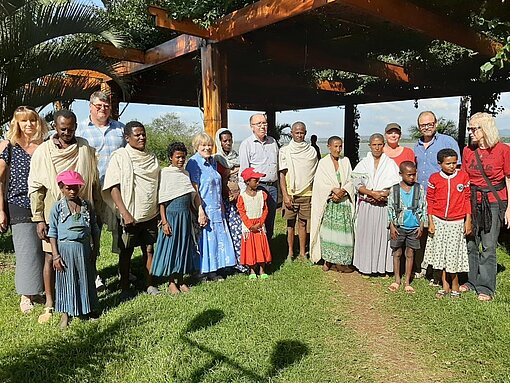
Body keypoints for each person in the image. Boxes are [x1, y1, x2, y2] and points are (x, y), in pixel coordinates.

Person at [28, 109, 100, 324]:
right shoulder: (44, 151)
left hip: (82, 210)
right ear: (55, 128)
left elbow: (93, 181)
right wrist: (39, 218)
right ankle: (52, 302)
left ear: (76, 126)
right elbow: (36, 187)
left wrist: (96, 210)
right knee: (51, 257)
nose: (67, 132)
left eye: (71, 128)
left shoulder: (85, 147)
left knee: (84, 259)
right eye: (63, 129)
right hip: (54, 209)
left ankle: (83, 301)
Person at [103, 121, 160, 297]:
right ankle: (125, 288)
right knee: (126, 252)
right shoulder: (120, 156)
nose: (142, 137)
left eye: (143, 134)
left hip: (150, 212)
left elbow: (156, 185)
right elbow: (113, 186)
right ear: (127, 138)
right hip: (130, 214)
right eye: (137, 135)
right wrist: (124, 212)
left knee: (149, 249)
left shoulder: (151, 157)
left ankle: (150, 284)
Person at [76, 90, 126, 291]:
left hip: (116, 190)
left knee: (122, 232)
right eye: (99, 106)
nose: (103, 109)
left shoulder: (120, 129)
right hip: (91, 190)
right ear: (91, 107)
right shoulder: (80, 129)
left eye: (106, 106)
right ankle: (93, 274)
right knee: (92, 234)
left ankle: (125, 269)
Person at [0, 106, 48, 313]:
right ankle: (25, 296)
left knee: (42, 249)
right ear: (16, 124)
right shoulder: (8, 146)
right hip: (18, 204)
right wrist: (1, 210)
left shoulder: (45, 147)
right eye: (23, 121)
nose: (29, 124)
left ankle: (38, 290)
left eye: (33, 120)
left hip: (44, 204)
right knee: (26, 250)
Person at [461, 112, 510, 301]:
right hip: (472, 200)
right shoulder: (468, 151)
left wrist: (509, 208)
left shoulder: (503, 150)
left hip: (494, 202)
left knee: (488, 245)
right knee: (471, 242)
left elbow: (508, 179)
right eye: (470, 128)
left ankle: (486, 287)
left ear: (486, 129)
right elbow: (464, 180)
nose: (471, 132)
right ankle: (471, 281)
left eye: (474, 128)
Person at [48, 170, 99, 328]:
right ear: (61, 188)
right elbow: (53, 232)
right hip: (65, 249)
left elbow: (94, 228)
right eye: (68, 188)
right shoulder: (57, 208)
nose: (72, 191)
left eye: (75, 188)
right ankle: (65, 314)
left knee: (85, 277)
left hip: (83, 248)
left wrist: (95, 248)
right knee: (66, 280)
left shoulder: (86, 205)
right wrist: (56, 256)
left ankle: (87, 309)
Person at [414, 111, 461, 279]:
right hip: (421, 196)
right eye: (423, 125)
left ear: (436, 123)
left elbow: (458, 170)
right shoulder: (417, 145)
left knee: (439, 235)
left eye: (430, 124)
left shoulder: (447, 142)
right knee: (422, 232)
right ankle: (421, 267)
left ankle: (439, 271)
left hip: (442, 197)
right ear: (419, 127)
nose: (426, 127)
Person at [186, 132, 236, 281]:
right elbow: (195, 190)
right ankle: (201, 271)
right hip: (203, 207)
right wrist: (200, 210)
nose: (207, 147)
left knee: (215, 239)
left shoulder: (213, 161)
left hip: (216, 207)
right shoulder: (194, 163)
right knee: (203, 240)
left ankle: (214, 270)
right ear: (196, 146)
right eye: (203, 145)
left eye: (209, 144)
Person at [151, 142, 198, 295]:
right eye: (177, 157)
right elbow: (162, 200)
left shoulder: (185, 174)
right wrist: (164, 221)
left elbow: (189, 196)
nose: (180, 160)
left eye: (183, 157)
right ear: (170, 157)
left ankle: (181, 280)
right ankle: (171, 282)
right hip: (172, 217)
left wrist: (196, 214)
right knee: (172, 248)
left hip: (185, 217)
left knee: (183, 247)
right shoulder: (166, 173)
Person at [425, 149, 471, 299]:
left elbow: (466, 199)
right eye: (448, 163)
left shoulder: (463, 177)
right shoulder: (434, 178)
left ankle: (455, 284)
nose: (452, 166)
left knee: (453, 253)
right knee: (442, 254)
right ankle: (445, 285)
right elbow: (430, 201)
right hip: (439, 221)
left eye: (454, 163)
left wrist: (468, 220)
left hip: (456, 221)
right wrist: (430, 221)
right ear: (440, 164)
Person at [352, 133, 400, 275]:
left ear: (383, 145)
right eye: (374, 144)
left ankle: (381, 267)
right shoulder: (363, 163)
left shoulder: (390, 163)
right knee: (366, 236)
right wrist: (371, 193)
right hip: (367, 205)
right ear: (370, 146)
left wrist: (383, 194)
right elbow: (356, 181)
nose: (377, 147)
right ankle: (365, 266)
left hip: (383, 206)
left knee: (382, 236)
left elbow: (395, 184)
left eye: (380, 144)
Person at [309, 136, 355, 272]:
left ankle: (341, 262)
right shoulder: (323, 163)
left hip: (344, 203)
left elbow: (351, 180)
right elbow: (319, 184)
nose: (338, 149)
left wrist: (344, 191)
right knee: (328, 233)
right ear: (329, 147)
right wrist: (333, 190)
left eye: (340, 146)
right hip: (330, 204)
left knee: (344, 234)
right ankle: (328, 261)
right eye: (335, 146)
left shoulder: (345, 161)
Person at [279, 121, 318, 261]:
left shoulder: (312, 151)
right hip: (291, 194)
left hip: (307, 193)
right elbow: (282, 174)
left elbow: (314, 174)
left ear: (305, 133)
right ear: (292, 134)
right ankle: (290, 252)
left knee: (303, 223)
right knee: (290, 224)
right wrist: (285, 195)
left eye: (302, 132)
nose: (299, 135)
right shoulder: (285, 151)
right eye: (297, 132)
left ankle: (302, 252)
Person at [387, 161, 427, 294]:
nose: (412, 177)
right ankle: (397, 279)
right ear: (401, 174)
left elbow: (423, 207)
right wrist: (391, 225)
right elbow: (390, 208)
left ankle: (407, 282)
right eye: (409, 175)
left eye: (414, 175)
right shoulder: (395, 189)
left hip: (414, 227)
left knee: (410, 253)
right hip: (399, 226)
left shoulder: (419, 189)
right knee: (397, 252)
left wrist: (422, 225)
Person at [238, 113, 279, 239]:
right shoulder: (247, 144)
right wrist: (244, 193)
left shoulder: (272, 142)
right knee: (257, 222)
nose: (262, 126)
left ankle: (269, 251)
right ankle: (257, 254)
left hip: (272, 187)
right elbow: (243, 171)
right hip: (256, 188)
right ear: (252, 127)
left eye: (264, 123)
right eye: (259, 124)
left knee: (270, 220)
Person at [214, 128, 243, 270]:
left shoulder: (236, 156)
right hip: (225, 200)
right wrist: (234, 170)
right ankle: (228, 264)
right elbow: (223, 175)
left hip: (238, 197)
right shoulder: (217, 159)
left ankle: (240, 261)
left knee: (238, 230)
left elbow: (241, 170)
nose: (228, 143)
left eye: (230, 140)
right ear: (219, 142)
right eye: (225, 141)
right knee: (227, 231)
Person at [237, 168, 272, 279]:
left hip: (259, 225)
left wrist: (260, 222)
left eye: (258, 180)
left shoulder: (261, 194)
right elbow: (242, 212)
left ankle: (262, 269)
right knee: (250, 248)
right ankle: (252, 270)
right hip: (249, 227)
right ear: (247, 181)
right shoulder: (242, 197)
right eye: (255, 180)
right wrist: (250, 226)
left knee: (260, 247)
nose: (257, 183)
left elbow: (265, 209)